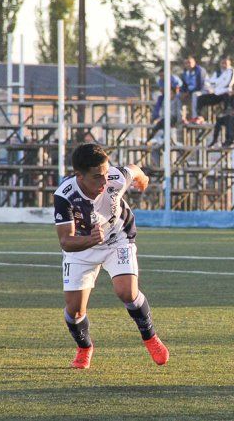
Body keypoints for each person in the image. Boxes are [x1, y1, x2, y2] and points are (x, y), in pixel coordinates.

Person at [53, 143, 169, 369]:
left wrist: (142, 176)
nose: (104, 182)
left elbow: (132, 169)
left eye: (105, 174)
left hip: (118, 239)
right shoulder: (65, 196)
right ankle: (84, 347)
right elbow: (66, 241)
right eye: (97, 177)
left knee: (127, 292)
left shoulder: (113, 178)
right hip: (82, 247)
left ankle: (150, 338)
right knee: (75, 310)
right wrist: (90, 240)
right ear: (80, 176)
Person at [195, 56, 234, 121]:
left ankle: (226, 116)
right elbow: (210, 82)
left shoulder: (232, 71)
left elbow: (228, 84)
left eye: (225, 63)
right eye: (222, 63)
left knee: (226, 96)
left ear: (229, 63)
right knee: (200, 98)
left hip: (226, 93)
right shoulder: (217, 72)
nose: (223, 64)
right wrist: (212, 87)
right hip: (216, 93)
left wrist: (216, 84)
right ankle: (200, 117)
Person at [209, 83, 234, 147]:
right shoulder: (230, 98)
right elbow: (227, 109)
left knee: (230, 119)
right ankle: (215, 139)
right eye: (233, 89)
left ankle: (231, 140)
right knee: (219, 120)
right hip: (230, 116)